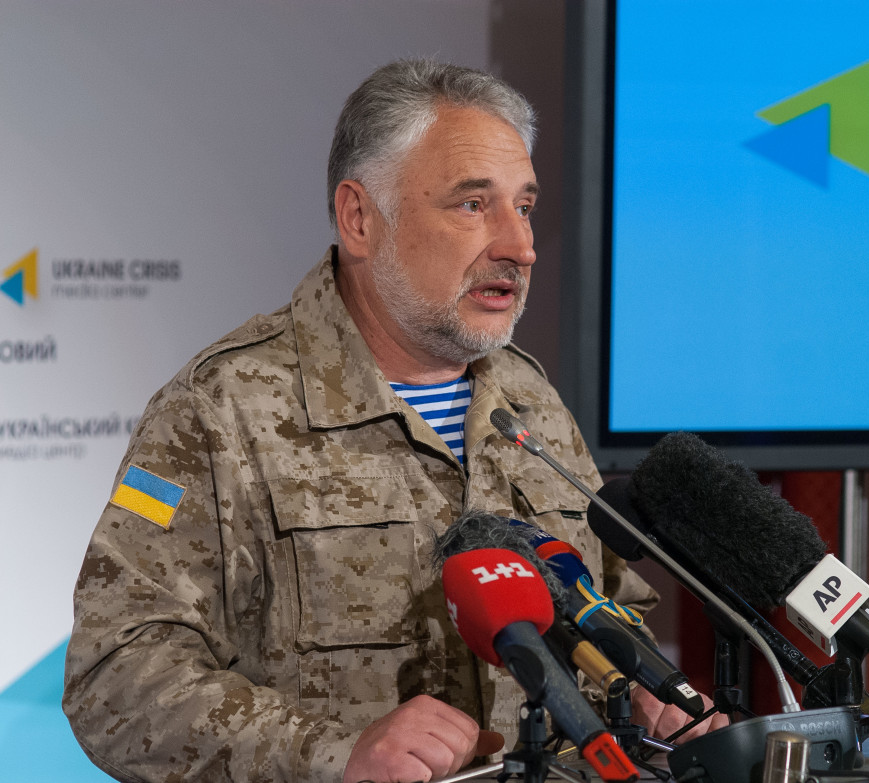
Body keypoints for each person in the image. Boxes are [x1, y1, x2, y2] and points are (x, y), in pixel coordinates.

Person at [63, 59, 726, 783]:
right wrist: (332, 753)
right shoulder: (220, 410)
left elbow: (607, 605)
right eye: (473, 205)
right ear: (360, 219)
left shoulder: (531, 400)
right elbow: (115, 680)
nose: (520, 246)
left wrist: (644, 695)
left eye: (525, 206)